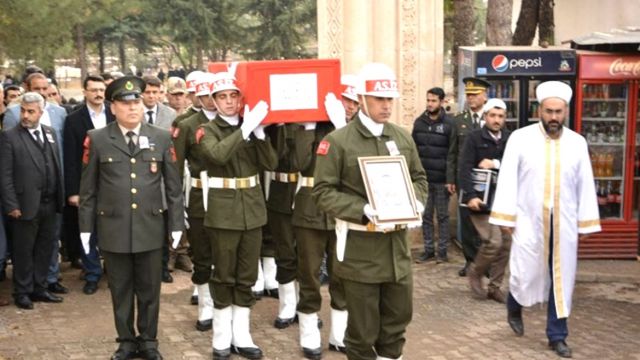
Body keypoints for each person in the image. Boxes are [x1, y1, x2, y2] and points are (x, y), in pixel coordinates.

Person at [313, 63, 428, 360]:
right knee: (362, 334)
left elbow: (419, 177)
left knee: (396, 325)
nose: (386, 105)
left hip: (396, 252)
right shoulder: (337, 142)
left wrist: (415, 201)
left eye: (390, 99)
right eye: (379, 99)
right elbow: (323, 193)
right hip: (361, 252)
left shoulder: (401, 137)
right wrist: (363, 209)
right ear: (361, 99)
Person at [489, 81, 601, 358]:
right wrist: (506, 215)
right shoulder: (520, 138)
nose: (553, 117)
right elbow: (507, 180)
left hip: (563, 224)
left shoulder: (577, 143)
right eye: (549, 111)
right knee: (524, 272)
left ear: (566, 111)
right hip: (529, 221)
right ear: (540, 110)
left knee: (561, 280)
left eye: (558, 112)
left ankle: (557, 335)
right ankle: (514, 305)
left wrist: (586, 221)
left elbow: (585, 184)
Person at [78, 76, 184, 360]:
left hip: (150, 226)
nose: (132, 108)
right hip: (113, 227)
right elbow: (87, 190)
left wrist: (176, 224)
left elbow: (173, 187)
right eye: (125, 104)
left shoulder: (161, 137)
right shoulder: (98, 138)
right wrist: (85, 229)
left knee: (150, 289)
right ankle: (125, 340)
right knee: (121, 289)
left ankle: (149, 340)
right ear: (113, 108)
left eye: (136, 102)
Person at [195, 71, 277, 360]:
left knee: (246, 275)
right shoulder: (207, 129)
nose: (229, 102)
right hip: (223, 212)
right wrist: (244, 131)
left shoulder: (249, 126)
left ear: (241, 99)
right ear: (213, 101)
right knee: (224, 274)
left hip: (252, 210)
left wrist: (259, 133)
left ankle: (242, 335)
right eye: (222, 97)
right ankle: (221, 337)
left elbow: (271, 163)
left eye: (233, 96)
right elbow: (216, 156)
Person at [293, 93, 349, 359]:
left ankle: (340, 334)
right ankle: (309, 333)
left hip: (341, 210)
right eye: (344, 101)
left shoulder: (353, 130)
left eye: (352, 101)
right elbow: (300, 163)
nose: (348, 106)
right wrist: (307, 128)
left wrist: (342, 129)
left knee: (342, 274)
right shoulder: (306, 128)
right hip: (309, 210)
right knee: (309, 273)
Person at [3, 72, 68, 294]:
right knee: (23, 251)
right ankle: (22, 291)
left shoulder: (49, 133)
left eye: (31, 112)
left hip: (49, 203)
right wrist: (11, 205)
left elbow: (56, 166)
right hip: (24, 204)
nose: (26, 116)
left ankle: (40, 288)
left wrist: (60, 197)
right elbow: (5, 174)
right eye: (23, 111)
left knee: (45, 247)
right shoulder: (10, 137)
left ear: (41, 112)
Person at [171, 72, 217, 331]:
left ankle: (222, 306)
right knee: (201, 253)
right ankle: (206, 306)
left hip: (226, 197)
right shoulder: (187, 125)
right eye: (203, 95)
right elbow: (176, 167)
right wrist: (178, 204)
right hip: (199, 195)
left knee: (224, 255)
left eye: (213, 94)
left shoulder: (234, 122)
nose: (209, 100)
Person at [63, 75, 115, 295]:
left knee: (112, 231)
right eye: (93, 89)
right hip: (86, 185)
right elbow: (71, 158)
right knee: (88, 230)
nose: (98, 94)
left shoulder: (115, 114)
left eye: (101, 89)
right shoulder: (74, 120)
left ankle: (113, 273)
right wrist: (73, 191)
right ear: (84, 92)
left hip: (113, 184)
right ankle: (92, 274)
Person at [458, 98, 511, 303]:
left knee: (506, 244)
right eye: (493, 115)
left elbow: (518, 165)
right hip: (480, 201)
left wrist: (495, 163)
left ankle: (495, 287)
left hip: (504, 200)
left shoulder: (510, 138)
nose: (496, 120)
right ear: (485, 116)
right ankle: (475, 271)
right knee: (493, 241)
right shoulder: (473, 138)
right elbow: (464, 168)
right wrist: (470, 196)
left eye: (500, 116)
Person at [141, 75, 179, 283]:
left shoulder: (170, 114)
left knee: (163, 228)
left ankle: (163, 268)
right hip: (140, 180)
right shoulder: (133, 113)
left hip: (163, 181)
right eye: (147, 92)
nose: (152, 96)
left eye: (156, 92)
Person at [451, 77, 490, 276]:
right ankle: (470, 261)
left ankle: (486, 264)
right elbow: (452, 152)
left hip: (487, 182)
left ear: (485, 96)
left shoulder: (493, 118)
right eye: (468, 95)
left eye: (474, 95)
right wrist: (450, 179)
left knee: (485, 223)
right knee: (466, 222)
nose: (470, 98)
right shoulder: (459, 120)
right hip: (464, 179)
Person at [412, 87, 456, 263]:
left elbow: (452, 152)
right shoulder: (419, 122)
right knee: (426, 216)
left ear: (442, 102)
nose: (430, 104)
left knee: (443, 217)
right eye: (428, 100)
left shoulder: (449, 124)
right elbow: (413, 150)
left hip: (442, 181)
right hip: (424, 180)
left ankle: (442, 252)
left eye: (434, 101)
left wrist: (450, 180)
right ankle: (429, 250)